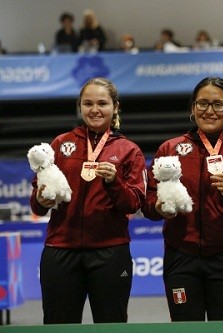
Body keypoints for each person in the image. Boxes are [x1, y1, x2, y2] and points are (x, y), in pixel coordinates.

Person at [30, 77, 147, 324]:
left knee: (111, 325)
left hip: (110, 252)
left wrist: (114, 182)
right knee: (58, 327)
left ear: (115, 107)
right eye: (88, 103)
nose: (94, 110)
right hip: (61, 250)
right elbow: (37, 206)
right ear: (80, 106)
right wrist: (41, 197)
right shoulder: (61, 144)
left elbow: (134, 203)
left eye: (102, 103)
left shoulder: (129, 150)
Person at [141, 77, 223, 321]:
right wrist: (159, 207)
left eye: (218, 104)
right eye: (203, 103)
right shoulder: (169, 149)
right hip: (180, 256)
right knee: (185, 327)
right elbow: (149, 203)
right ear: (193, 108)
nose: (210, 111)